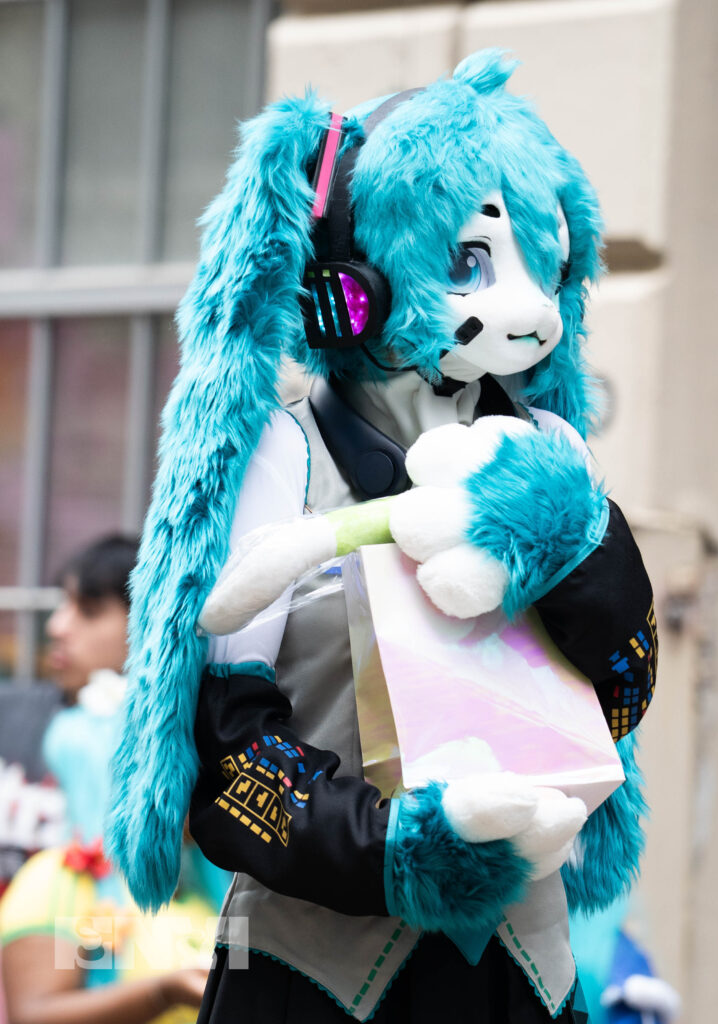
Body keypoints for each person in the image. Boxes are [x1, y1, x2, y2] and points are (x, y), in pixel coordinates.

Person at [109, 50, 657, 1023]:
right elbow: (232, 762)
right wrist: (400, 848)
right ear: (350, 278)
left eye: (544, 255)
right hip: (318, 975)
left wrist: (574, 542)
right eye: (472, 260)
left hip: (526, 975)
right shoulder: (286, 457)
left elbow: (622, 687)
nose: (525, 308)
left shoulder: (552, 452)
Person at [0, 535, 214, 1024]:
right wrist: (163, 993)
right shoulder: (62, 887)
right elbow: (37, 1015)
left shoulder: (218, 885)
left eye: (89, 609)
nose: (56, 627)